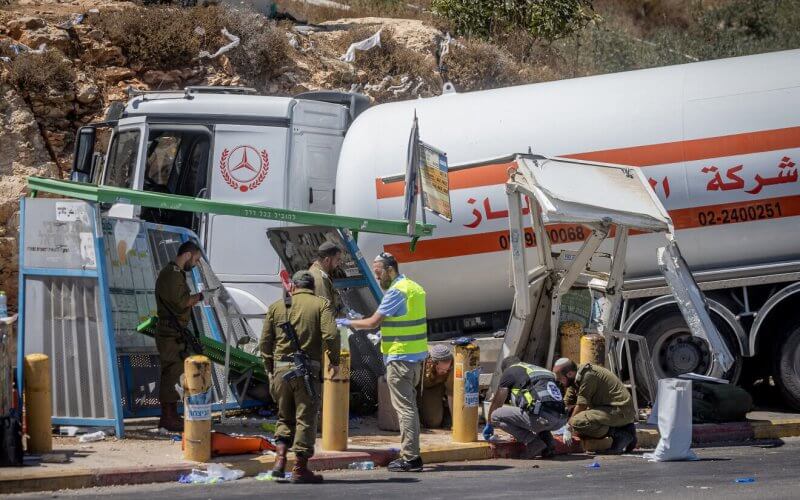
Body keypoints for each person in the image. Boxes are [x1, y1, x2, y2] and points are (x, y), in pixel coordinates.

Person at [339, 252, 427, 472]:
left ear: (390, 269)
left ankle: (411, 458)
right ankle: (412, 453)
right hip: (414, 358)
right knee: (410, 408)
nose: (378, 279)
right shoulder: (413, 287)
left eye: (379, 274)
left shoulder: (396, 292)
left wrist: (348, 323)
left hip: (399, 359)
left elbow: (373, 323)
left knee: (405, 410)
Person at [259, 271, 340, 484]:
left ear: (293, 287)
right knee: (305, 419)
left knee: (284, 417)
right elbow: (331, 335)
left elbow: (264, 344)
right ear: (312, 288)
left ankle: (280, 460)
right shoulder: (320, 304)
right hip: (307, 373)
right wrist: (335, 360)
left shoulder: (277, 307)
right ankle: (299, 469)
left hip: (281, 371)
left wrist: (270, 368)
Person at [154, 241, 204, 432]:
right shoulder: (173, 275)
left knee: (174, 372)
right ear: (187, 255)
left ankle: (171, 415)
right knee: (171, 373)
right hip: (170, 333)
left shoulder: (175, 274)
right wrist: (201, 297)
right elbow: (182, 302)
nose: (196, 263)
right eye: (196, 259)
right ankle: (168, 417)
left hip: (174, 332)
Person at [483, 356, 567, 458]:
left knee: (495, 416)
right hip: (561, 419)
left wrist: (489, 424)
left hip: (541, 418)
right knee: (534, 407)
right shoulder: (539, 370)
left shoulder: (509, 372)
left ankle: (533, 442)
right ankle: (549, 443)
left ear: (505, 369)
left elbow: (498, 402)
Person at [552, 358, 637, 454]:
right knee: (577, 426)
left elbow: (581, 406)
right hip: (610, 410)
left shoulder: (588, 376)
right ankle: (625, 428)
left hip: (620, 411)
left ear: (569, 374)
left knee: (577, 422)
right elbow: (567, 402)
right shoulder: (575, 377)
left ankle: (620, 434)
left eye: (560, 379)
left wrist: (568, 427)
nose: (560, 382)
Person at [418, 344, 454, 429]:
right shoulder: (421, 360)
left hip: (438, 387)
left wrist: (455, 421)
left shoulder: (453, 365)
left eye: (446, 370)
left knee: (433, 422)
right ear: (431, 363)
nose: (444, 372)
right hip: (419, 387)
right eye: (439, 369)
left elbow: (451, 394)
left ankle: (446, 413)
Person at [308, 241, 344, 316]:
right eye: (337, 260)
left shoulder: (316, 270)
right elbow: (326, 311)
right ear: (327, 260)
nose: (339, 263)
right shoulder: (319, 279)